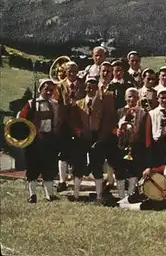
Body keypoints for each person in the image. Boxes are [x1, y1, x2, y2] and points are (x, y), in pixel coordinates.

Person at [70, 77, 116, 203]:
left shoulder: (102, 104)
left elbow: (107, 121)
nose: (89, 89)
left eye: (93, 87)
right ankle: (75, 194)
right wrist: (78, 132)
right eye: (88, 87)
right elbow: (73, 120)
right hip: (83, 138)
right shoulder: (79, 104)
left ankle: (99, 195)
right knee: (79, 165)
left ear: (97, 89)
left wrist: (101, 139)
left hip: (97, 137)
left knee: (97, 166)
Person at [19, 78, 60, 203]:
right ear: (41, 89)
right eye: (46, 89)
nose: (48, 92)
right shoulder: (31, 103)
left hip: (49, 140)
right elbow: (21, 118)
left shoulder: (54, 104)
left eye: (51, 90)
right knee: (32, 168)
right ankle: (33, 195)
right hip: (34, 141)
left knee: (48, 168)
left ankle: (49, 195)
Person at [113, 87, 152, 199]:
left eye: (135, 97)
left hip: (136, 147)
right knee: (119, 171)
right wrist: (117, 131)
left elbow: (146, 133)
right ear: (125, 98)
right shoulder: (120, 111)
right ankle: (121, 197)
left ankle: (129, 197)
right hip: (121, 146)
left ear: (138, 98)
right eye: (129, 96)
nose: (132, 99)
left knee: (133, 171)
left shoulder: (143, 113)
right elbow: (113, 127)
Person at [55, 61, 85, 192]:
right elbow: (57, 103)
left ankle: (76, 183)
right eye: (69, 71)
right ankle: (62, 181)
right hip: (64, 123)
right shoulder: (60, 86)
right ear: (65, 72)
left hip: (78, 123)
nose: (72, 74)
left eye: (74, 71)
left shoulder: (83, 85)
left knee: (78, 153)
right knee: (63, 153)